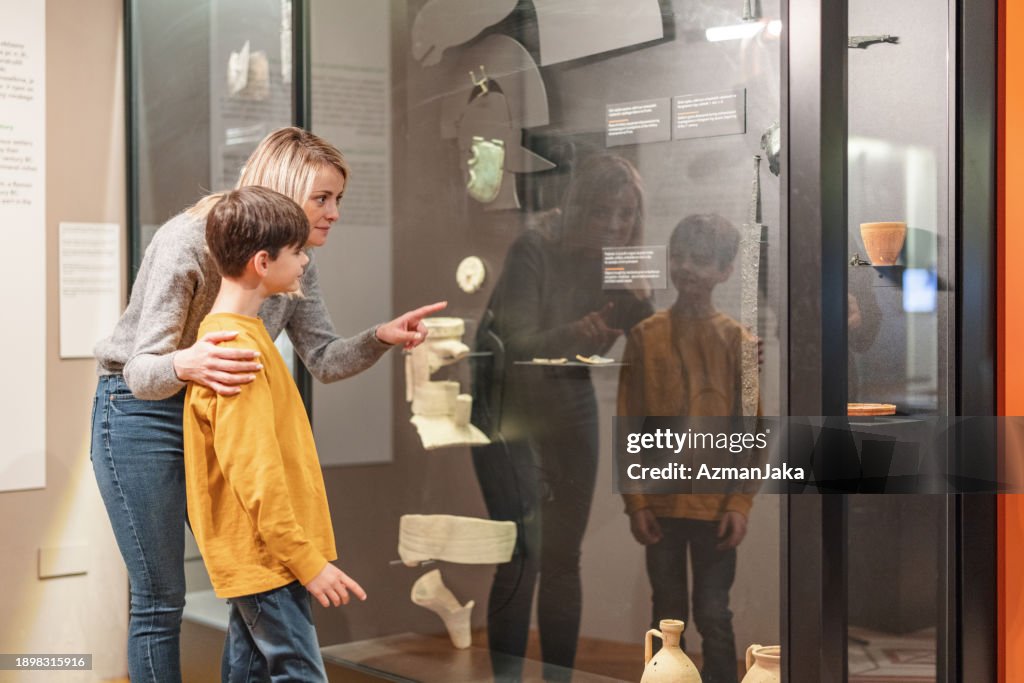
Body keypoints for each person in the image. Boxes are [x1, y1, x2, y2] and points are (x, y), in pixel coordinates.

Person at [91, 127, 444, 683]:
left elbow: (324, 359)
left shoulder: (294, 262)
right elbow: (140, 371)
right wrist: (191, 362)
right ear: (281, 188)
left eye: (338, 200)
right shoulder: (186, 240)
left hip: (221, 406)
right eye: (322, 198)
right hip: (142, 409)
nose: (333, 213)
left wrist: (381, 335)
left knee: (252, 574)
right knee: (160, 598)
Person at [470, 154, 654, 679]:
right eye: (604, 212)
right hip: (507, 407)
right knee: (520, 553)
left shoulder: (622, 256)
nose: (616, 224)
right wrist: (580, 331)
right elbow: (517, 347)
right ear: (579, 207)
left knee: (562, 557)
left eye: (626, 214)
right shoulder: (536, 246)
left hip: (567, 401)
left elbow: (654, 335)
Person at [184, 187, 364, 682]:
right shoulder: (235, 349)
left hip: (268, 554)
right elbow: (255, 476)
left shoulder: (247, 334)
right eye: (298, 251)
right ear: (263, 261)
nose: (306, 261)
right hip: (269, 557)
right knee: (301, 673)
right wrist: (305, 560)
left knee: (249, 671)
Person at [618, 214, 756, 683]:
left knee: (715, 614)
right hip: (661, 504)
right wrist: (635, 500)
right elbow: (629, 426)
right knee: (666, 615)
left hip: (716, 506)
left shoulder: (741, 342)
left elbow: (750, 431)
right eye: (679, 257)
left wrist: (740, 502)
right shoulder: (643, 337)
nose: (688, 269)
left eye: (701, 260)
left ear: (725, 269)